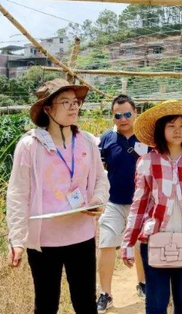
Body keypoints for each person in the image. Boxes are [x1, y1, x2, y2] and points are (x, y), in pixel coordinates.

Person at [6, 79, 110, 314]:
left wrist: (96, 201)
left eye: (76, 102)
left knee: (85, 302)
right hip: (45, 241)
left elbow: (100, 180)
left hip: (81, 235)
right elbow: (18, 194)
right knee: (46, 304)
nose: (74, 107)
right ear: (47, 109)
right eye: (65, 102)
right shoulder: (30, 146)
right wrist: (17, 240)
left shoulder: (87, 142)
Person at [122, 100, 182, 314]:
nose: (177, 131)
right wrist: (128, 242)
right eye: (171, 125)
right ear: (161, 129)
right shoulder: (147, 161)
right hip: (155, 239)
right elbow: (139, 204)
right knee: (155, 302)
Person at [96, 95, 148, 312]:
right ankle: (105, 294)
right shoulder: (106, 139)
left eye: (127, 114)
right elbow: (98, 169)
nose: (123, 119)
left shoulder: (148, 136)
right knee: (107, 243)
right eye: (118, 115)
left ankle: (143, 284)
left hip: (143, 203)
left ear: (135, 112)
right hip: (113, 202)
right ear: (113, 116)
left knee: (141, 245)